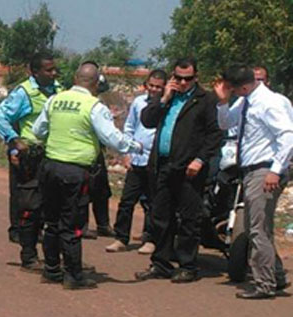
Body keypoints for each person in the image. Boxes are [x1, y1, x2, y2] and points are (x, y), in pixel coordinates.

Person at [32, 62, 143, 289]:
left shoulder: (55, 100)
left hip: (50, 167)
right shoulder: (94, 106)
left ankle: (51, 270)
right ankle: (73, 276)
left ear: (75, 78)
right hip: (75, 172)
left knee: (51, 221)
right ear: (95, 83)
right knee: (72, 224)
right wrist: (135, 146)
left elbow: (38, 131)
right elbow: (111, 138)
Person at [135, 57, 222, 283]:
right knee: (160, 216)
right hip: (163, 165)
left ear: (196, 77)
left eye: (188, 79)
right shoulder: (167, 97)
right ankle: (161, 263)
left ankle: (187, 265)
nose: (182, 83)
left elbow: (214, 135)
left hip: (189, 169)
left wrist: (200, 159)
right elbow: (147, 120)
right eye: (178, 78)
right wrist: (163, 98)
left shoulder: (205, 100)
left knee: (188, 219)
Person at [214, 63, 293, 299]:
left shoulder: (270, 103)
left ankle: (264, 283)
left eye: (234, 89)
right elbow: (226, 123)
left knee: (256, 229)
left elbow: (288, 136)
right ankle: (275, 276)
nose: (233, 92)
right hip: (249, 170)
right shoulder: (247, 101)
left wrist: (275, 171)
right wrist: (222, 102)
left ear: (245, 86)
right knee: (259, 226)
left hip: (265, 169)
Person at [0, 52, 63, 271]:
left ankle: (51, 256)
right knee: (29, 206)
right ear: (35, 72)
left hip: (52, 155)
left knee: (51, 206)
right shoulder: (24, 92)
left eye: (54, 69)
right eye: (48, 70)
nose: (53, 74)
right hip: (30, 157)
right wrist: (14, 140)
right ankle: (28, 255)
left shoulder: (58, 90)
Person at [105, 69, 167, 254]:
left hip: (155, 161)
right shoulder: (139, 103)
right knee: (127, 200)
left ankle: (150, 239)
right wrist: (127, 153)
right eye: (151, 85)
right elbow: (130, 127)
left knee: (152, 203)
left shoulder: (167, 105)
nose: (154, 90)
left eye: (158, 87)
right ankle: (121, 237)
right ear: (146, 85)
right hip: (137, 159)